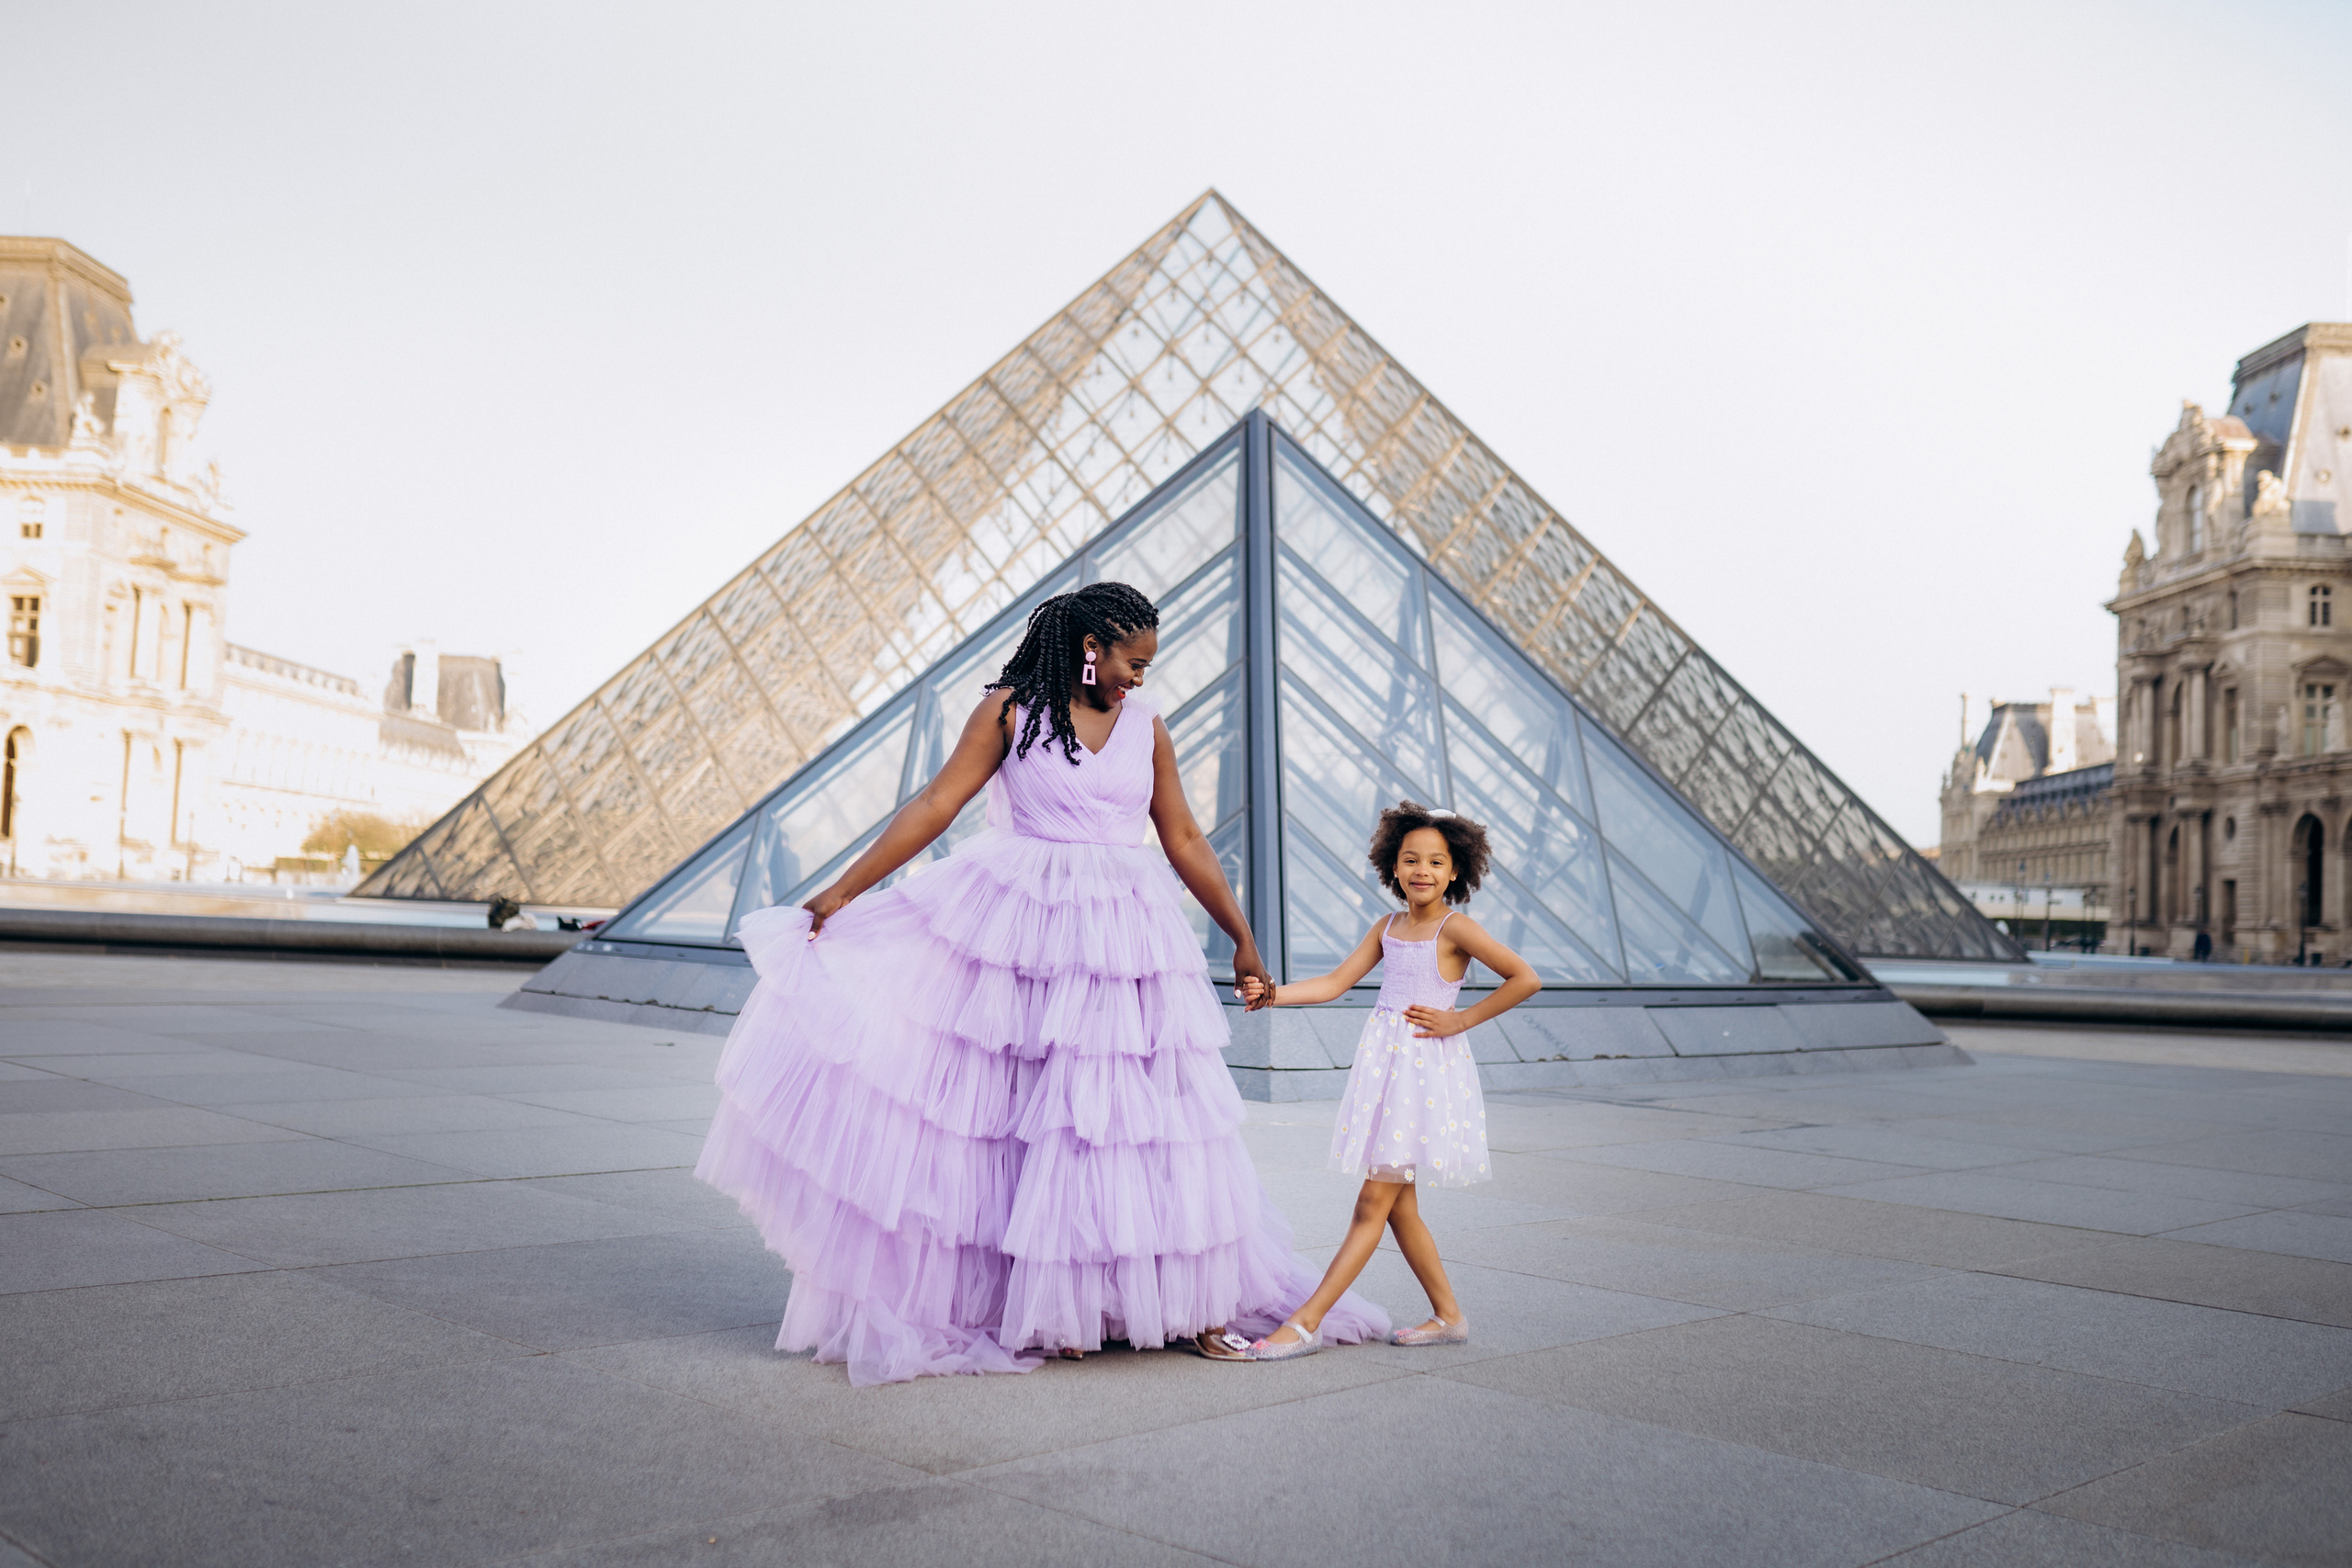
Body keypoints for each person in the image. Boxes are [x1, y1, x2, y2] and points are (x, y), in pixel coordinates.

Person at [694, 581, 1387, 1383]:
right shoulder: (1007, 710)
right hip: (1022, 931)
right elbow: (938, 803)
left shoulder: (1148, 723)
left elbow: (1186, 835)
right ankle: (1051, 1305)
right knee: (1021, 1119)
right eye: (1131, 661)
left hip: (1126, 939)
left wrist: (1241, 936)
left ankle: (1143, 1299)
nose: (1140, 677)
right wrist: (846, 889)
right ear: (1089, 647)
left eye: (1148, 664)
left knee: (1131, 1121)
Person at [1233, 802, 1540, 1359]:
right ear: (1392, 866)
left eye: (1436, 862)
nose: (1422, 870)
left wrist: (1460, 1018)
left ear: (1455, 871)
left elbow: (1526, 978)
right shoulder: (1388, 926)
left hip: (1423, 1074)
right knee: (1399, 1207)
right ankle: (1448, 1316)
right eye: (1410, 859)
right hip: (1387, 1071)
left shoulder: (1456, 927)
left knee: (1373, 1202)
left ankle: (1306, 1323)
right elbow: (1333, 983)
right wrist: (1274, 993)